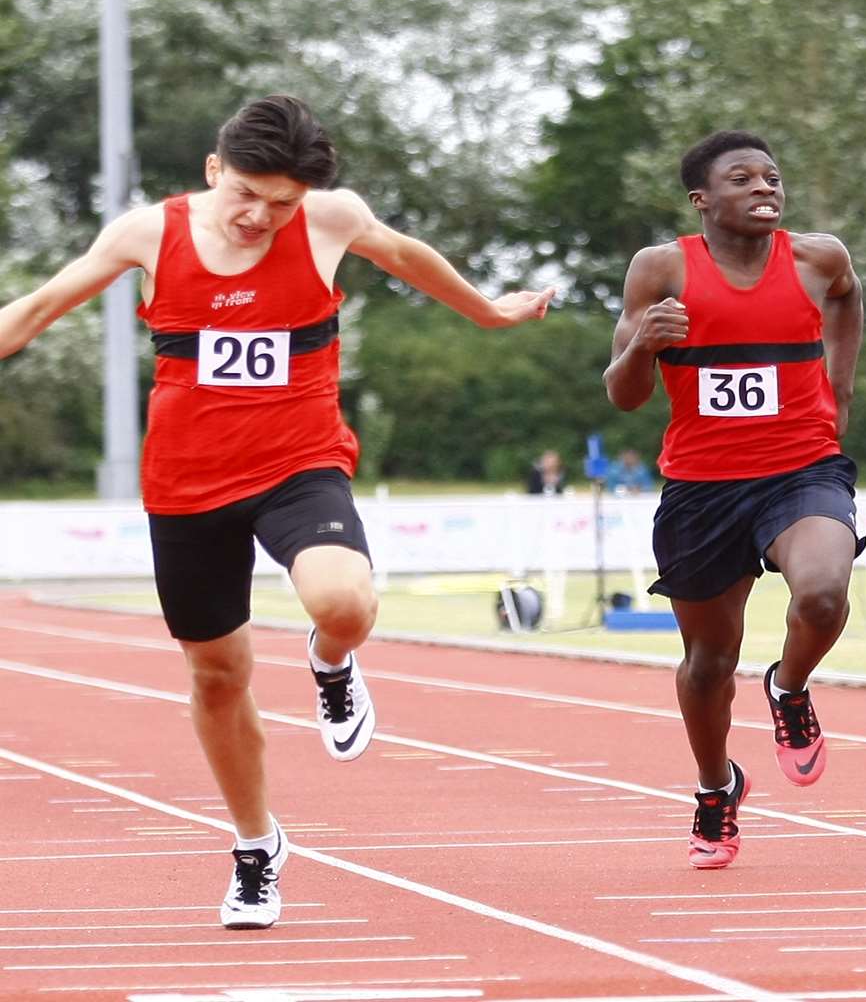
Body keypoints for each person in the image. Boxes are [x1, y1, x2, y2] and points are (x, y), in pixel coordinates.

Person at [0, 95, 554, 926]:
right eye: (247, 196)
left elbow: (406, 255)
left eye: (282, 205)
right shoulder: (147, 233)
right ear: (214, 169)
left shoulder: (331, 221)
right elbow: (40, 308)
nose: (261, 217)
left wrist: (488, 310)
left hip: (300, 462)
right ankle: (257, 844)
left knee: (345, 603)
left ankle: (331, 664)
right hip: (187, 484)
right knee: (218, 675)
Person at [604, 130, 864, 869]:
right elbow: (623, 398)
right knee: (709, 661)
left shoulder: (819, 259)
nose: (764, 188)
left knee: (821, 595)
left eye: (772, 177)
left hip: (802, 467)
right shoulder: (661, 270)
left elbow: (847, 298)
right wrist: (641, 347)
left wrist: (838, 388)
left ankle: (789, 687)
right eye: (742, 178)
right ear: (702, 200)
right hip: (702, 487)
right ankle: (716, 787)